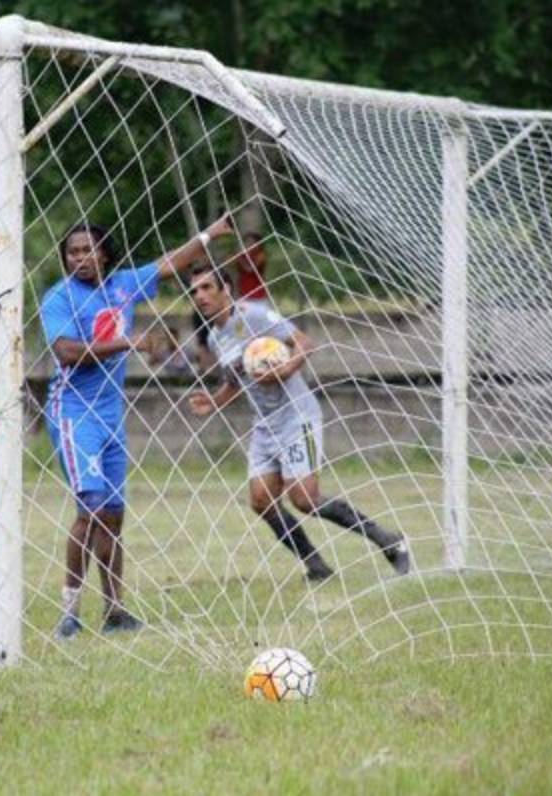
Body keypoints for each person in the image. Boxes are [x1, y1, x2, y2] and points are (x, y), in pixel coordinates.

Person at [41, 215, 234, 640]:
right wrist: (130, 342)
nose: (80, 258)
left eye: (87, 250)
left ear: (103, 252)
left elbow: (170, 263)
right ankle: (69, 614)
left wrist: (209, 235)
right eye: (72, 252)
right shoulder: (59, 298)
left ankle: (115, 612)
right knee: (90, 507)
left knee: (112, 515)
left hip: (112, 415)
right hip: (74, 413)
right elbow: (68, 351)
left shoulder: (124, 284)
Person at [185, 264, 410, 581]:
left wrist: (286, 370)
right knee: (261, 500)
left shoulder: (255, 314)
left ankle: (387, 540)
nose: (200, 295)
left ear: (226, 288)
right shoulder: (214, 338)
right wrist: (213, 401)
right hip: (265, 426)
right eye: (194, 291)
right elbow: (237, 381)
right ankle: (316, 566)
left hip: (296, 415)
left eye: (207, 287)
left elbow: (304, 342)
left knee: (304, 499)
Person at [234, 232, 270, 305]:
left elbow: (249, 269)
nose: (248, 244)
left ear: (258, 243)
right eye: (246, 242)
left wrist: (239, 257)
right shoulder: (243, 255)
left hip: (258, 297)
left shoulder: (261, 255)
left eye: (251, 242)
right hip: (243, 295)